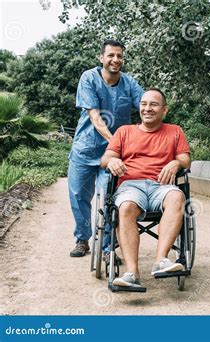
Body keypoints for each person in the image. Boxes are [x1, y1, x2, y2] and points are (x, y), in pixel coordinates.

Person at [101, 88, 191, 288]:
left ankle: (161, 261)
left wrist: (175, 163)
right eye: (144, 104)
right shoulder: (124, 131)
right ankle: (132, 273)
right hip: (131, 186)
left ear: (164, 110)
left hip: (162, 186)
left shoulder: (175, 131)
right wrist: (112, 161)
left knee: (177, 198)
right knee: (125, 207)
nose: (147, 108)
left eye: (153, 104)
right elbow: (105, 159)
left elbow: (185, 158)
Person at [68, 39, 144, 258]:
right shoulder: (89, 78)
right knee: (78, 196)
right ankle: (82, 239)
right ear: (101, 58)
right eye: (111, 55)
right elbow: (94, 116)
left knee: (109, 197)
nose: (115, 60)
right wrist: (115, 141)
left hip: (112, 155)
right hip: (86, 148)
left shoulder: (129, 84)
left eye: (119, 56)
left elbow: (145, 107)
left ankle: (107, 248)